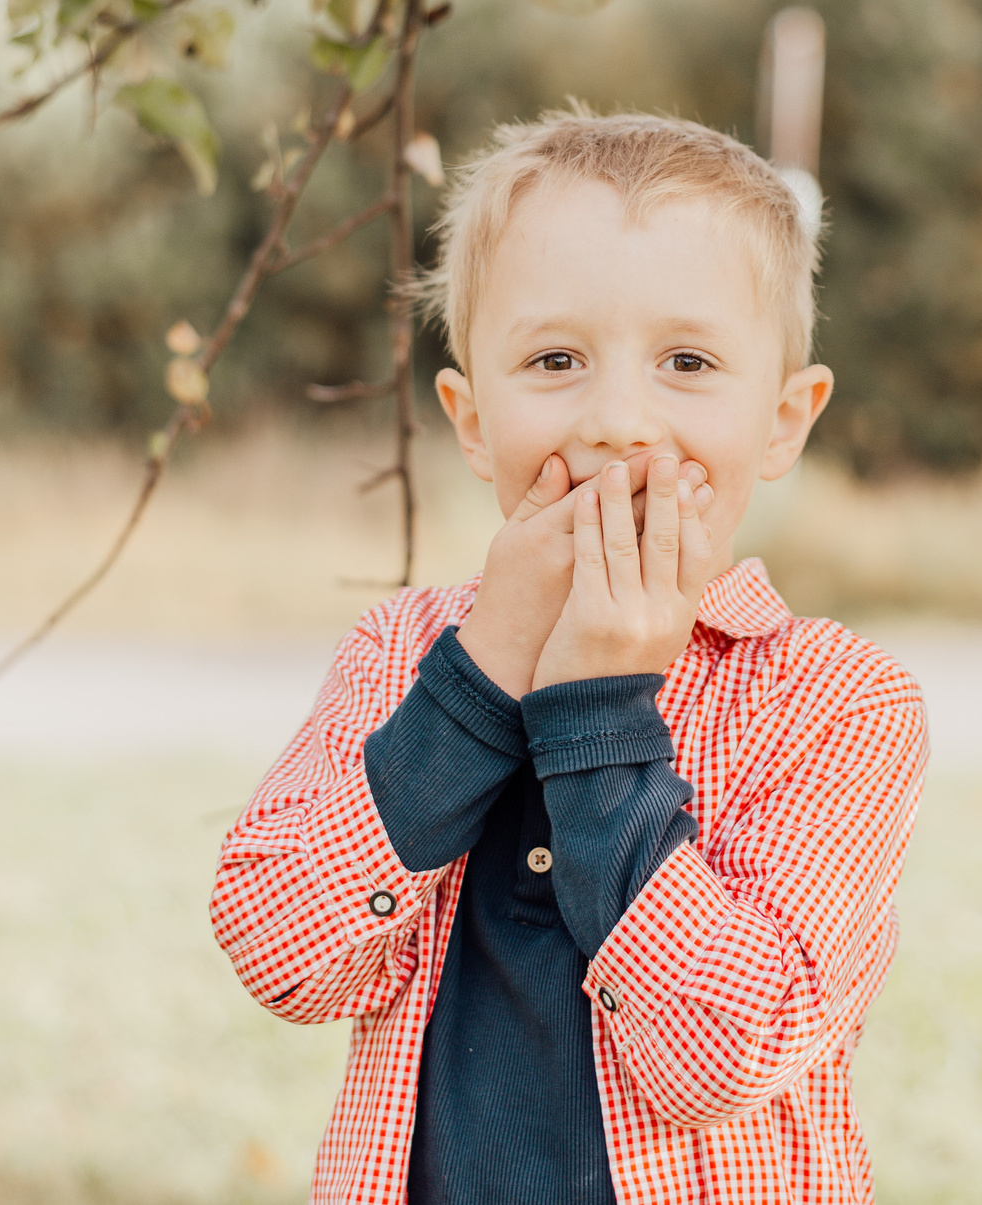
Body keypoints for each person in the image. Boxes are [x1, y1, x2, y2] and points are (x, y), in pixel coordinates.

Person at [210, 109, 929, 1205]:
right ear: (468, 416)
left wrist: (599, 714)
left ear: (783, 418)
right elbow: (284, 954)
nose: (619, 420)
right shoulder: (404, 651)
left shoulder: (835, 699)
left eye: (687, 361)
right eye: (555, 359)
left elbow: (725, 1053)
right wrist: (486, 666)